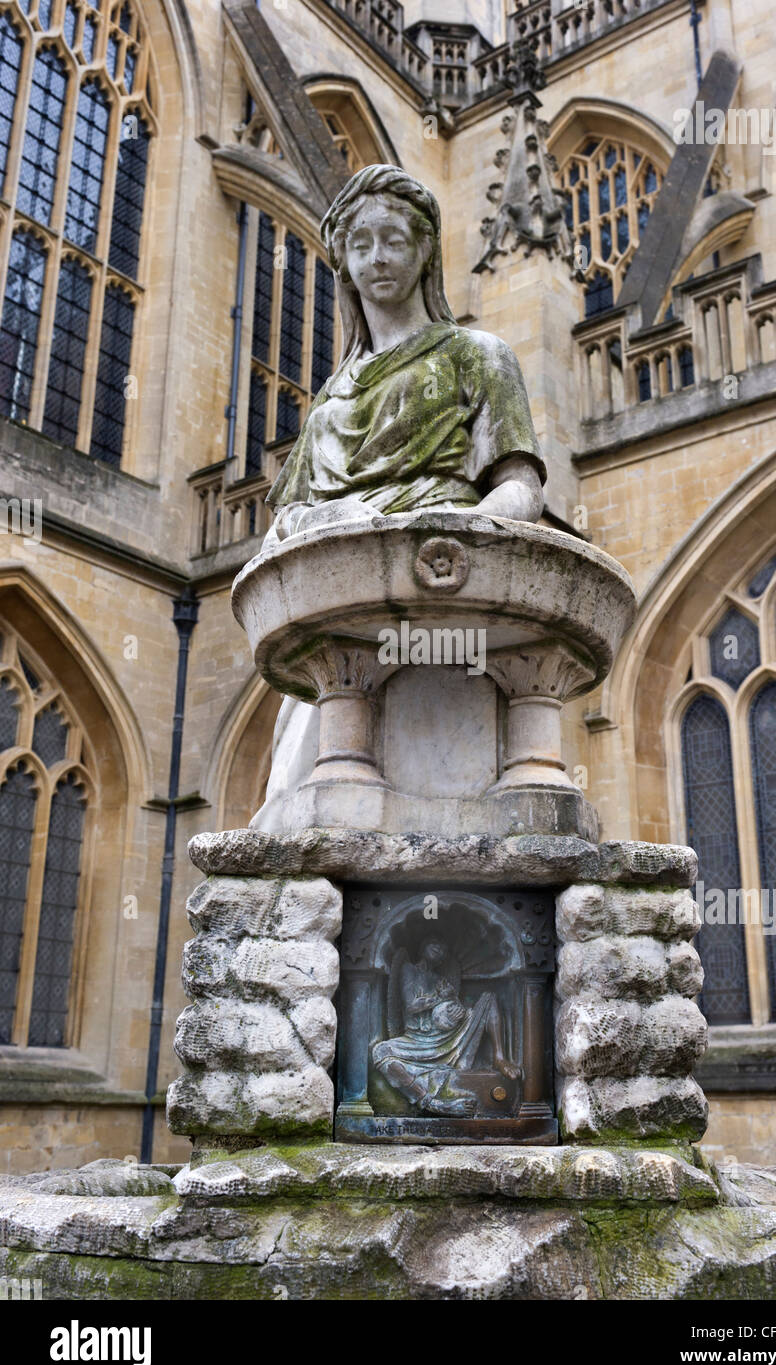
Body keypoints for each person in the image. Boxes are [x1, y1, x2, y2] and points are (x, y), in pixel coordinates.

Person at [252, 163, 547, 829]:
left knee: (448, 825)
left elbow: (519, 487)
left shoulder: (477, 356)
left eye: (393, 240)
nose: (377, 259)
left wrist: (461, 531)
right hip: (340, 614)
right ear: (344, 265)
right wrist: (332, 518)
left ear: (424, 250)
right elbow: (283, 524)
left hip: (446, 601)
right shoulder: (329, 401)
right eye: (360, 246)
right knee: (295, 820)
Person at [372, 935, 520, 1118]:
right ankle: (432, 1103)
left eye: (443, 949)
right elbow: (411, 1005)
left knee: (488, 1000)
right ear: (422, 947)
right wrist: (440, 998)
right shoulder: (408, 969)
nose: (439, 949)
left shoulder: (440, 979)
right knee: (380, 1051)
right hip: (416, 1041)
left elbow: (453, 1008)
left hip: (447, 1039)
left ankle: (499, 1057)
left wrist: (456, 1010)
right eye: (435, 943)